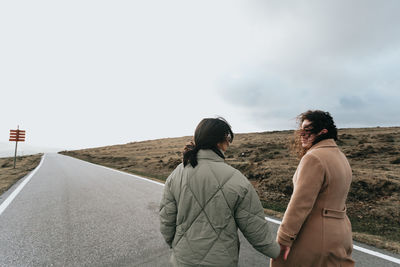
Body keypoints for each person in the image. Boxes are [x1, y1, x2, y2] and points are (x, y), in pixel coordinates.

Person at [160, 117, 280, 266]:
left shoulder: (177, 173)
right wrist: (278, 252)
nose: (229, 143)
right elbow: (256, 230)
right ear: (219, 142)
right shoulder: (237, 179)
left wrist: (175, 245)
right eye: (228, 138)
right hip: (220, 261)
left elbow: (166, 220)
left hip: (182, 260)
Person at [271, 110, 354, 267]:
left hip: (314, 238)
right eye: (301, 130)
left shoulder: (313, 158)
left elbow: (300, 204)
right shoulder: (341, 157)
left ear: (323, 132)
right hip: (341, 236)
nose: (302, 134)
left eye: (308, 130)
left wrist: (283, 239)